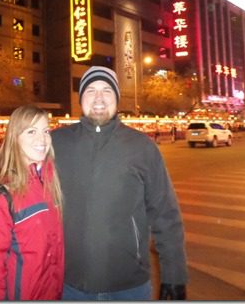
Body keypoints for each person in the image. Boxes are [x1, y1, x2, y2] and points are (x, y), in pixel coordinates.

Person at [51, 66, 188, 300]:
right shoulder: (56, 143)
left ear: (117, 99)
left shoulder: (142, 147)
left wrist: (174, 277)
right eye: (91, 90)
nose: (99, 98)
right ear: (81, 98)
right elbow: (17, 194)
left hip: (128, 287)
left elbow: (166, 215)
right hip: (68, 285)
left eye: (107, 91)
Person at [0, 104, 64, 300]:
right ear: (15, 138)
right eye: (31, 131)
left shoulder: (51, 188)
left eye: (46, 131)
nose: (42, 139)